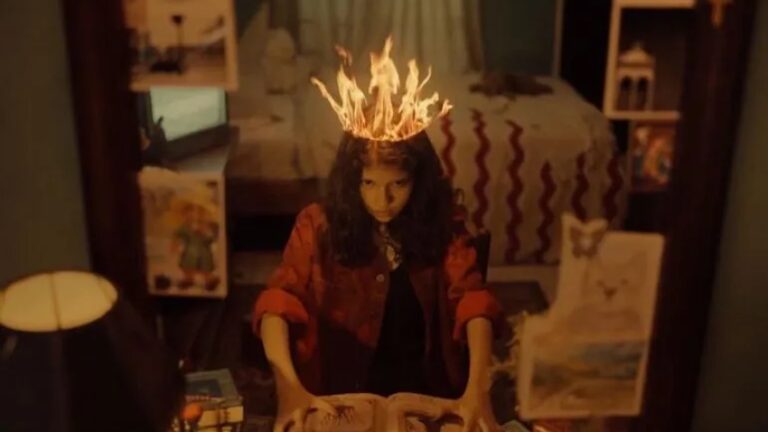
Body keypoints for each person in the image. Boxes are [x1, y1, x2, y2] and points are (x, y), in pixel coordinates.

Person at [253, 131, 504, 431]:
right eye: (368, 183)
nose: (382, 201)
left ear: (419, 182)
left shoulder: (442, 223)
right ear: (351, 181)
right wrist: (288, 390)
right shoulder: (317, 224)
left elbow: (473, 301)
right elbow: (277, 303)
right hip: (340, 393)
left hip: (425, 390)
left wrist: (478, 391)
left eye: (398, 184)